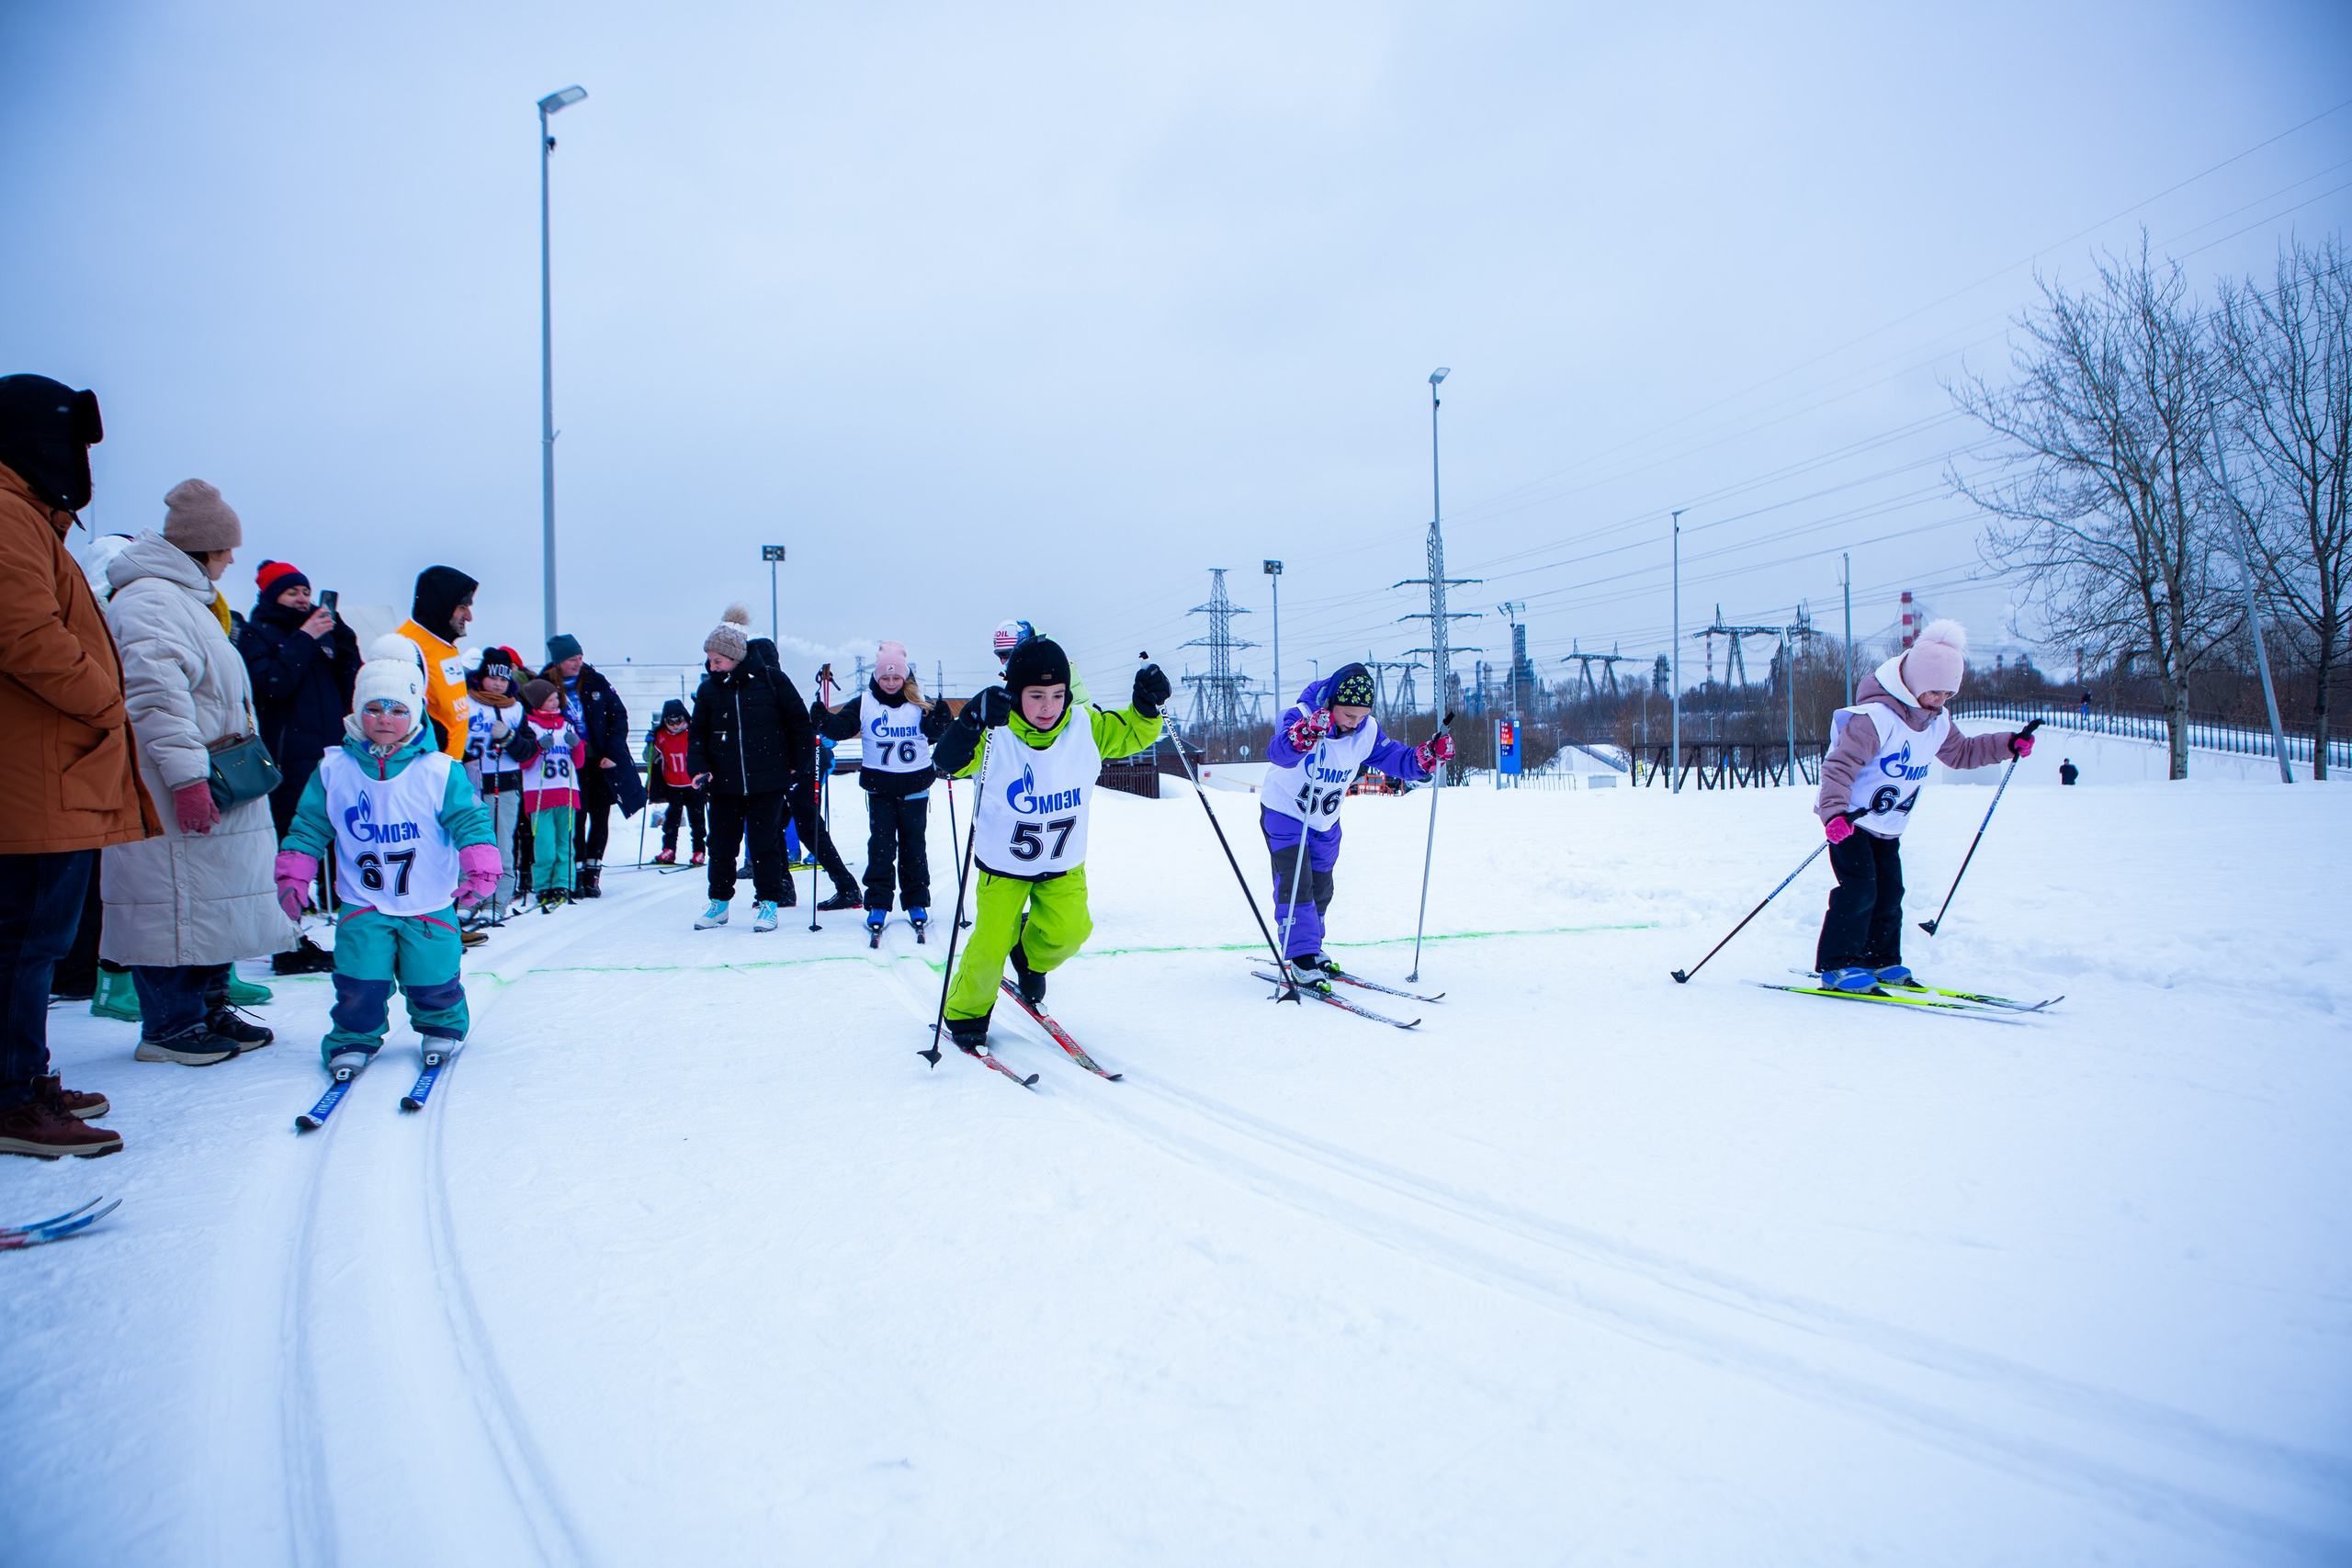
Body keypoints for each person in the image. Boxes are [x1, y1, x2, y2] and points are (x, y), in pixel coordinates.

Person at [101, 480, 293, 1063]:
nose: (231, 559)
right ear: (202, 547)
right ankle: (169, 1025)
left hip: (215, 774)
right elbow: (155, 699)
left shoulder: (183, 600)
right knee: (174, 896)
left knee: (211, 896)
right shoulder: (152, 602)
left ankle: (206, 1007)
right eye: (225, 548)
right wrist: (186, 779)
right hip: (178, 779)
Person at [0, 374, 142, 1157]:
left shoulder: (25, 514)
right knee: (25, 939)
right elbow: (24, 633)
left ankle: (23, 1075)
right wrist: (106, 698)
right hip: (33, 771)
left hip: (44, 767)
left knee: (33, 938)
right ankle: (12, 1096)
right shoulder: (6, 513)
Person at [275, 640, 495, 1077]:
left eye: (397, 710)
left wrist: (481, 864)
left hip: (427, 899)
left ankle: (441, 1027)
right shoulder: (334, 769)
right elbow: (310, 824)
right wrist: (294, 873)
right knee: (360, 981)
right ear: (357, 711)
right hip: (364, 900)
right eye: (373, 709)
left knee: (433, 977)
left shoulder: (439, 770)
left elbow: (470, 820)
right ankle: (353, 1038)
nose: (384, 719)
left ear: (415, 713)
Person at [933, 638, 1166, 1055]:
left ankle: (1029, 956)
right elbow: (947, 762)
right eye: (1036, 695)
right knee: (990, 946)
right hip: (1004, 866)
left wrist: (1147, 706)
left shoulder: (1085, 727)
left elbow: (1132, 732)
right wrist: (970, 720)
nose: (1048, 707)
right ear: (1015, 693)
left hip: (1062, 863)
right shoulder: (996, 732)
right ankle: (966, 1013)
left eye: (1058, 695)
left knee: (1069, 933)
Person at [1813, 620, 2032, 993]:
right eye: (1933, 691)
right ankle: (1838, 965)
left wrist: (2007, 744)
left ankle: (1878, 959)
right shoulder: (1875, 719)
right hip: (1850, 822)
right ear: (1913, 682)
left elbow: (1963, 753)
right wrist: (1833, 813)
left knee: (1890, 892)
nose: (1938, 700)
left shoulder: (1937, 723)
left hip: (1888, 825)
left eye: (1947, 693)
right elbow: (1840, 765)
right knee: (1860, 890)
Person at [1261, 662, 1453, 984]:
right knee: (1296, 883)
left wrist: (1426, 758)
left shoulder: (1367, 731)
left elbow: (1396, 759)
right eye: (1349, 715)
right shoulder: (1300, 714)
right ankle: (1300, 953)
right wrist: (1303, 734)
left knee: (1321, 886)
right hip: (1286, 812)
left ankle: (1311, 946)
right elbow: (1278, 754)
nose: (1355, 722)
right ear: (1331, 702)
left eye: (1362, 716)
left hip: (1325, 821)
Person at [236, 557, 358, 974]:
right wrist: (304, 638)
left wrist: (343, 641)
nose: (303, 599)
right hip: (285, 760)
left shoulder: (318, 636)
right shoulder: (255, 634)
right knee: (292, 852)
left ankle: (341, 932)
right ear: (271, 596)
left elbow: (348, 687)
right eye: (292, 592)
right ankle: (286, 942)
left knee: (337, 846)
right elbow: (270, 686)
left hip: (329, 757)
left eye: (306, 591)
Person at [686, 607, 815, 932]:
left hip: (768, 781)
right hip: (723, 782)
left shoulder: (772, 681)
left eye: (717, 660)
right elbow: (697, 734)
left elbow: (800, 724)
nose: (712, 666)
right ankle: (718, 904)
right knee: (721, 845)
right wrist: (699, 768)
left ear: (735, 657)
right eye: (710, 661)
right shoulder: (709, 690)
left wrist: (797, 767)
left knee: (764, 844)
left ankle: (768, 903)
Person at [816, 640, 954, 938]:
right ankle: (878, 903)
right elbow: (843, 728)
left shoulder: (920, 702)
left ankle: (916, 901)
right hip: (880, 789)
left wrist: (943, 719)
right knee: (881, 849)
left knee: (914, 847)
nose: (890, 683)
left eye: (896, 677)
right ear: (876, 677)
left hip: (915, 786)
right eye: (885, 677)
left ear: (905, 676)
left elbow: (935, 733)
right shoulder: (864, 703)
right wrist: (825, 721)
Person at [538, 632, 643, 898]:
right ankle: (575, 871)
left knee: (599, 815)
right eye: (571, 659)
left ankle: (593, 872)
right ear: (558, 662)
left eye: (580, 657)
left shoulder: (596, 681)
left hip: (600, 760)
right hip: (568, 763)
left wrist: (613, 752)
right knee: (575, 817)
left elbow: (619, 716)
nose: (578, 663)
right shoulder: (545, 684)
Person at [510, 678, 585, 908]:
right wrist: (539, 746)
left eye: (556, 699)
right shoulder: (530, 726)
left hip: (567, 793)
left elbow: (579, 762)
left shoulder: (566, 725)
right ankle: (543, 884)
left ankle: (564, 883)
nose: (555, 703)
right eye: (550, 699)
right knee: (544, 845)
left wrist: (577, 745)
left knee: (565, 843)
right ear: (538, 702)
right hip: (540, 794)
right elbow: (523, 762)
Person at [465, 647, 528, 909]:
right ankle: (469, 898)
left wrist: (511, 738)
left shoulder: (516, 709)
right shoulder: (466, 703)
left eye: (503, 679)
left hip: (504, 786)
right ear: (481, 677)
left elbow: (528, 750)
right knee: (471, 845)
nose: (498, 684)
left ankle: (497, 900)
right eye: (493, 678)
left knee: (501, 846)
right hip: (469, 785)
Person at [394, 565, 477, 761]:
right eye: (462, 607)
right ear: (442, 606)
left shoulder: (443, 644)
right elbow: (398, 717)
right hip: (424, 769)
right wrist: (439, 742)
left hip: (448, 767)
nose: (469, 617)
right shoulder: (407, 648)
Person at [643, 698, 707, 865]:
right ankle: (669, 849)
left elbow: (705, 751)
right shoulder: (661, 736)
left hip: (693, 783)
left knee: (697, 819)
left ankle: (699, 851)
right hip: (672, 784)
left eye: (679, 721)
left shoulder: (692, 733)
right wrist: (650, 744)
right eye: (671, 722)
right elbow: (648, 759)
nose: (676, 726)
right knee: (672, 819)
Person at [991, 617, 1089, 705]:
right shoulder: (1017, 669)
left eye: (1005, 654)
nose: (1002, 661)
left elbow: (1082, 707)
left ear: (1021, 647)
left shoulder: (1058, 665)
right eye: (999, 655)